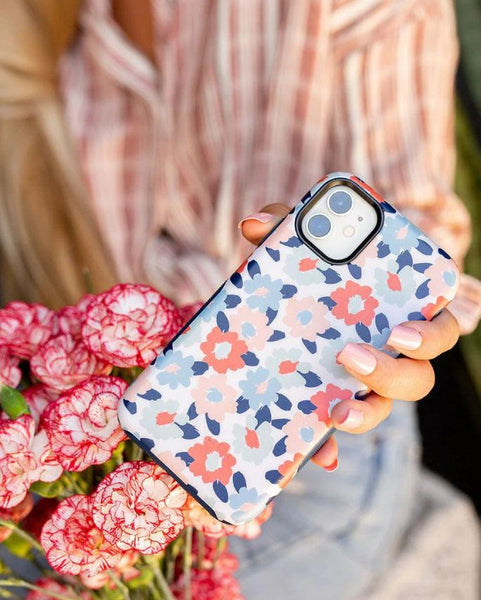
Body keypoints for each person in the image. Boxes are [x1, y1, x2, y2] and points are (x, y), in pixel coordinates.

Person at [0, 1, 480, 598]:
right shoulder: (37, 35)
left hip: (312, 440)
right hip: (145, 425)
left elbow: (415, 233)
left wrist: (421, 321)